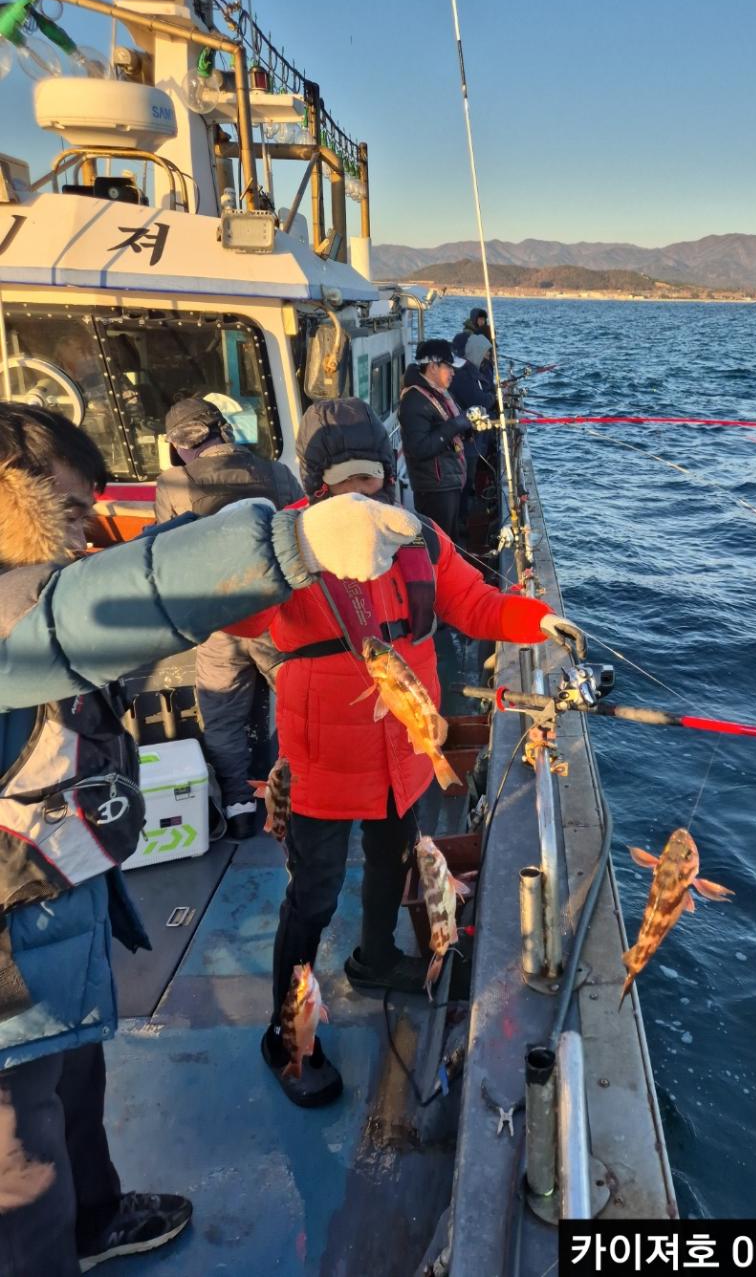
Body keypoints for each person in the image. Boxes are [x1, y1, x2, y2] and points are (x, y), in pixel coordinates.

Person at [0, 403, 422, 1275]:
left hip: (48, 907)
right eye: (72, 516)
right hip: (16, 938)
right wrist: (286, 549)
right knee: (18, 1162)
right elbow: (105, 603)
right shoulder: (22, 608)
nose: (81, 542)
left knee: (72, 1083)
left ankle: (95, 1216)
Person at [226, 397, 586, 1108]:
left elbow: (478, 604)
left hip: (406, 750)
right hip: (324, 765)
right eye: (343, 484)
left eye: (372, 480)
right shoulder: (289, 546)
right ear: (317, 483)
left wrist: (538, 619)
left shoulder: (416, 536)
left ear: (389, 475)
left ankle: (377, 957)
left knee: (394, 855)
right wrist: (267, 550)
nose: (361, 498)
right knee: (313, 894)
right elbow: (236, 613)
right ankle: (284, 1031)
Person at [154, 396, 304, 837]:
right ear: (224, 430)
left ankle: (239, 804)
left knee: (221, 714)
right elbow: (303, 540)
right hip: (278, 620)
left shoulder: (173, 483)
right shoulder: (278, 474)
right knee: (299, 706)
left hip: (218, 624)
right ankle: (305, 794)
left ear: (179, 444)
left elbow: (167, 558)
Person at [398, 339, 475, 542]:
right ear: (433, 366)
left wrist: (467, 428)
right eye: (448, 366)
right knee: (440, 545)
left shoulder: (437, 394)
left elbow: (444, 429)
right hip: (434, 489)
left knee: (449, 542)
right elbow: (419, 448)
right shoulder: (415, 400)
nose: (453, 372)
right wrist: (456, 425)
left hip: (448, 483)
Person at [449, 336, 497, 525]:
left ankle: (463, 516)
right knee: (465, 479)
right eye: (485, 351)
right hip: (468, 439)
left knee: (468, 477)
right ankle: (462, 520)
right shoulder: (464, 375)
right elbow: (480, 400)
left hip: (473, 436)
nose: (488, 356)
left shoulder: (471, 371)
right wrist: (493, 396)